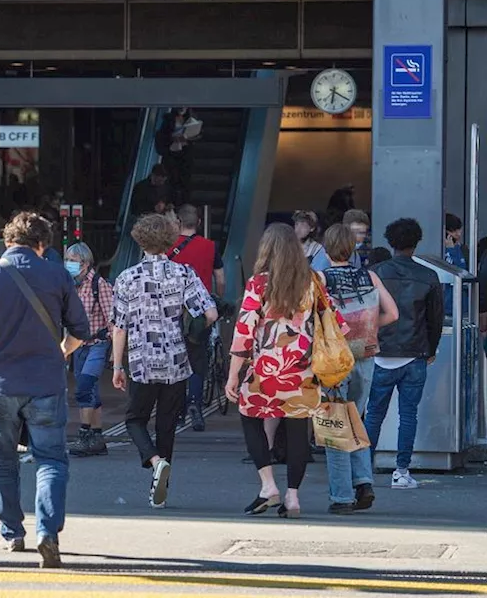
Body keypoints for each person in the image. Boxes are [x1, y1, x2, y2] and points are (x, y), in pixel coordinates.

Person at [0, 211, 90, 568]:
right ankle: (48, 531)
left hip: (0, 382)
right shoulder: (58, 274)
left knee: (3, 459)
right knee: (51, 459)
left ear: (7, 239)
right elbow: (80, 329)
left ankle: (12, 532)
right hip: (46, 380)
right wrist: (60, 352)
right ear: (42, 243)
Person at [111, 214, 217, 509]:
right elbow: (209, 313)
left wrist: (117, 366)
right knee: (167, 424)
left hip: (141, 360)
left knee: (135, 419)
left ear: (140, 240)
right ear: (170, 239)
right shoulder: (184, 274)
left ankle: (155, 461)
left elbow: (118, 326)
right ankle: (161, 486)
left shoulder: (127, 278)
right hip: (175, 359)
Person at [225, 224, 330, 519]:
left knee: (250, 418)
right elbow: (331, 321)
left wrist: (233, 375)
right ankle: (293, 497)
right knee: (298, 431)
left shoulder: (259, 284)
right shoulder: (313, 281)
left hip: (265, 371)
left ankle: (268, 485)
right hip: (302, 370)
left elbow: (243, 332)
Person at [321, 224, 399, 513]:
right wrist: (365, 329)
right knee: (355, 420)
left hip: (333, 359)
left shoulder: (320, 279)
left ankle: (341, 497)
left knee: (335, 426)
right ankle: (363, 481)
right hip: (364, 355)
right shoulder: (370, 276)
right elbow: (392, 314)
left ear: (326, 249)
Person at [367, 218, 443, 490]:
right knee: (408, 415)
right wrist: (430, 351)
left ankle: (364, 471)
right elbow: (435, 320)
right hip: (415, 353)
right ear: (416, 241)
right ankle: (401, 471)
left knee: (374, 413)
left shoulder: (375, 272)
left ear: (390, 241)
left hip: (381, 353)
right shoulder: (429, 276)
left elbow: (366, 314)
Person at [169, 204, 225, 431]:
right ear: (199, 223)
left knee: (176, 362)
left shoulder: (168, 247)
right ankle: (195, 403)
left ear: (179, 223)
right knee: (197, 360)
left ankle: (178, 411)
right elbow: (220, 278)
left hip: (173, 311)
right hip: (201, 313)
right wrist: (217, 301)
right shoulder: (211, 246)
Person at [63, 242, 113, 458]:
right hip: (78, 346)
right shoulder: (71, 285)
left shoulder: (98, 285)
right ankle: (97, 437)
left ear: (85, 263)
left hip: (97, 344)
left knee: (84, 387)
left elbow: (112, 317)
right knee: (91, 390)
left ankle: (84, 433)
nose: (69, 264)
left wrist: (115, 350)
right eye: (68, 260)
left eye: (73, 261)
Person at [443, 213, 468, 317]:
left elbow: (462, 272)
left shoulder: (463, 249)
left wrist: (452, 250)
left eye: (459, 230)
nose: (458, 234)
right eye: (453, 231)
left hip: (463, 305)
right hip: (446, 305)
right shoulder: (440, 250)